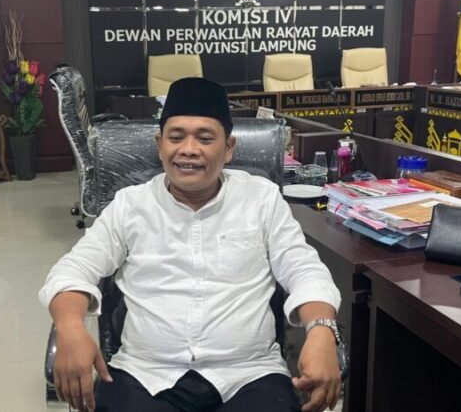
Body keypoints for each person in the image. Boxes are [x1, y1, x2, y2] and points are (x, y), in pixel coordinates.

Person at [40, 77, 342, 412]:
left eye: (205, 138)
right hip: (145, 373)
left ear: (229, 148)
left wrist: (322, 330)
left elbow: (303, 269)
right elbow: (74, 269)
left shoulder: (261, 199)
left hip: (248, 374)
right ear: (160, 145)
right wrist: (70, 327)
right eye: (176, 137)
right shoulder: (130, 205)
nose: (188, 149)